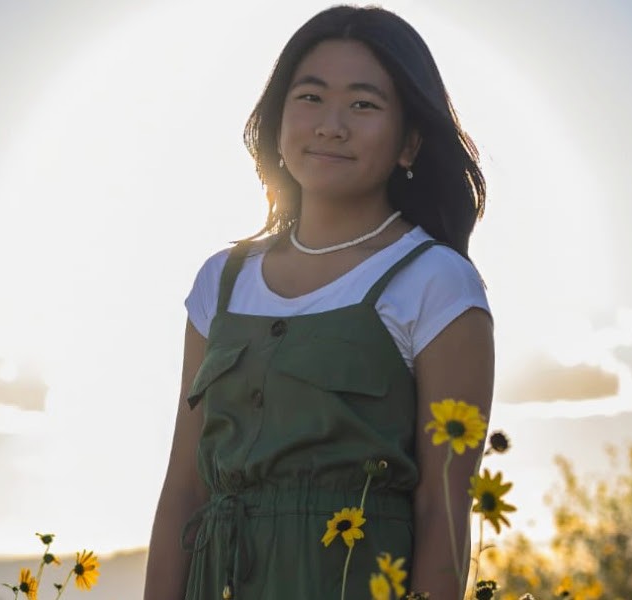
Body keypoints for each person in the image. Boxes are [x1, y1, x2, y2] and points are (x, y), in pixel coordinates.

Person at [143, 5, 494, 599]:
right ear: (278, 122)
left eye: (363, 104)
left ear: (409, 142)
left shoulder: (437, 283)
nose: (331, 125)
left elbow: (443, 509)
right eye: (310, 97)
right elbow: (184, 490)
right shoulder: (220, 282)